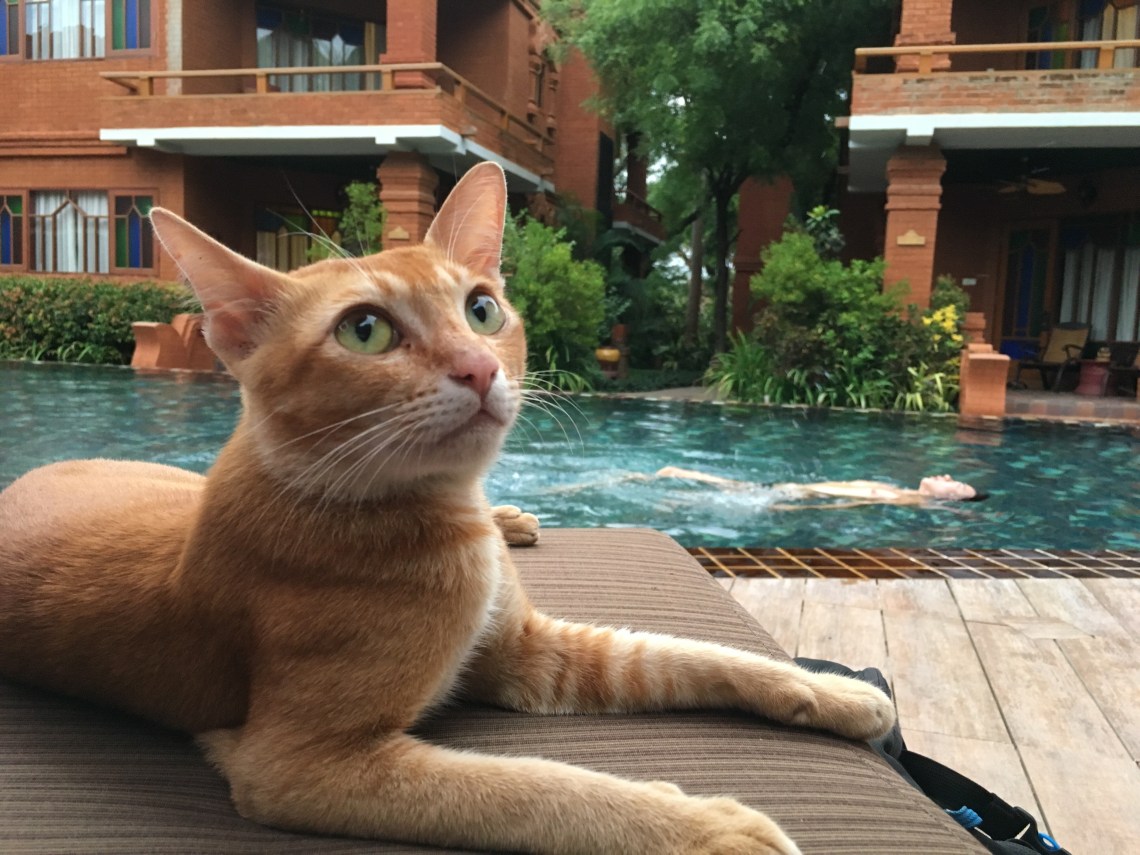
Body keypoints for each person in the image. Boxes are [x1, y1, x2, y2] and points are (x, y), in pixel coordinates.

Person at [653, 467, 987, 509]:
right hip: (797, 487)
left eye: (954, 485)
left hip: (798, 495)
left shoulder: (899, 499)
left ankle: (678, 496)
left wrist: (795, 508)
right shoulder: (894, 487)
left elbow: (847, 505)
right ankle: (675, 479)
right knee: (733, 486)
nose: (947, 477)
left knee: (730, 491)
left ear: (947, 501)